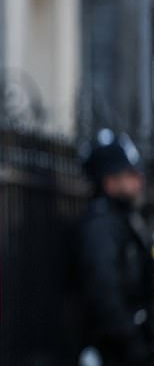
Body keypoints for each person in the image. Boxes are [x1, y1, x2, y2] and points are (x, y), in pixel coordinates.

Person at [77, 129, 153, 366]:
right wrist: (134, 345)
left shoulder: (122, 219)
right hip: (119, 354)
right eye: (129, 173)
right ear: (109, 182)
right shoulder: (102, 227)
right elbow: (105, 291)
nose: (138, 180)